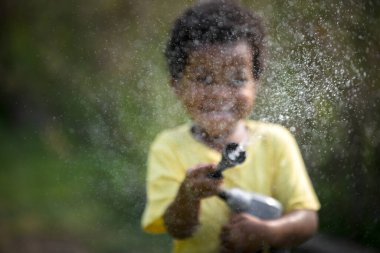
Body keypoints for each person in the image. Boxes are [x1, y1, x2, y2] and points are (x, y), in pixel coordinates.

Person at [141, 0, 320, 252]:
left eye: (237, 78)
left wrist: (268, 233)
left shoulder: (276, 141)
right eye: (203, 78)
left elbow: (307, 220)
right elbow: (177, 228)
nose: (221, 94)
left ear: (255, 84)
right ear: (177, 85)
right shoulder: (168, 147)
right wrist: (188, 196)